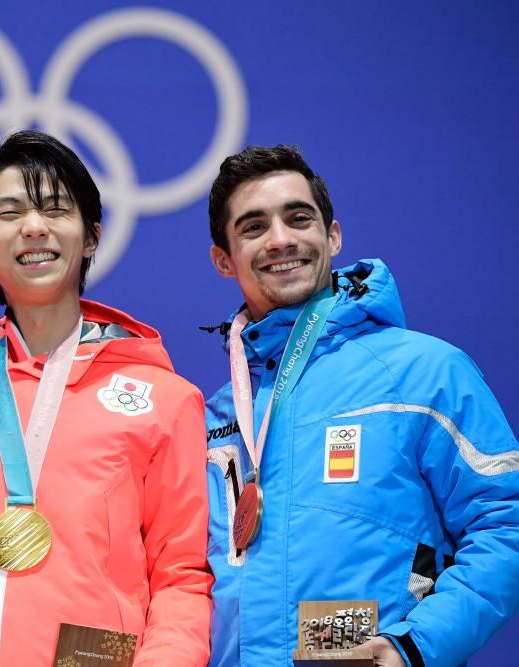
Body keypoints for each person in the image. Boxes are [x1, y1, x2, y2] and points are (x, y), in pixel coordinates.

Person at [0, 130, 211, 666]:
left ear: (92, 236)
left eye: (56, 209)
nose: (34, 227)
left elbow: (182, 574)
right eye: (9, 213)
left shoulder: (165, 402)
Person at [203, 145, 519, 667]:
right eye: (253, 227)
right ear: (224, 258)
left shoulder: (425, 371)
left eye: (299, 218)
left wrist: (416, 644)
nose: (281, 239)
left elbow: (506, 523)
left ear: (333, 235)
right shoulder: (218, 414)